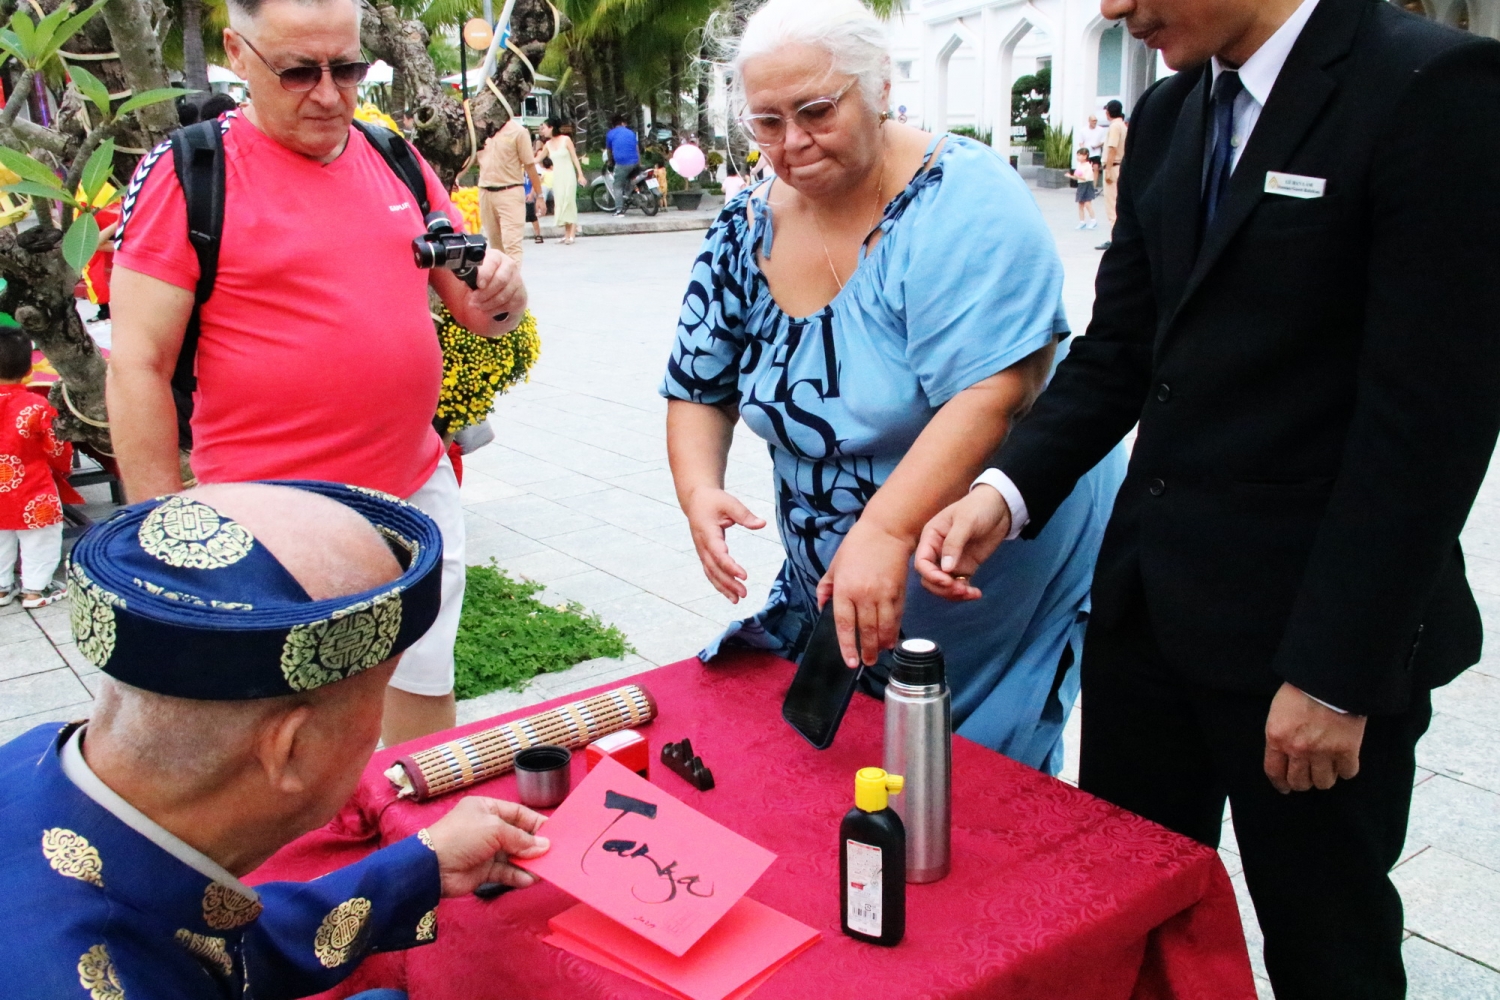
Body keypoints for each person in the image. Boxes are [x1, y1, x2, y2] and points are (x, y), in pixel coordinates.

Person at [913, 0, 1500, 995]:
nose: (1111, 10)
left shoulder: (1428, 90)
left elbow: (1426, 428)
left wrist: (1335, 675)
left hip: (1307, 645)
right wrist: (1005, 491)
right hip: (1153, 616)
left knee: (1328, 939)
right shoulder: (1178, 114)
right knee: (1129, 921)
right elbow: (1123, 349)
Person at [661, 0, 1124, 772]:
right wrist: (697, 487)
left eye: (815, 111)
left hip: (975, 565)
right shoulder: (745, 225)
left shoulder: (963, 201)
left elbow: (995, 392)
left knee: (970, 785)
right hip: (844, 568)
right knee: (844, 779)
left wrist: (885, 530)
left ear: (877, 85)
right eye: (766, 123)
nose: (792, 144)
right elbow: (697, 379)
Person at [106, 0, 529, 747]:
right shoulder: (192, 172)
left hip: (416, 491)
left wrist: (506, 295)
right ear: (238, 53)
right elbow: (139, 363)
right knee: (287, 735)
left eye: (347, 68)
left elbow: (477, 313)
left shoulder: (392, 155)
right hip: (269, 519)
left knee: (423, 691)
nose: (330, 94)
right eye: (300, 71)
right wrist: (164, 539)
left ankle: (412, 842)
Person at [0, 482, 551, 998]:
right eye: (378, 696)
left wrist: (419, 869)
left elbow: (202, 934)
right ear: (293, 745)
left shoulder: (34, 757)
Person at [0, 332, 71, 609]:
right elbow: (57, 447)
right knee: (40, 537)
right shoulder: (37, 406)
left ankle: (3, 588)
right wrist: (63, 470)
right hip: (33, 488)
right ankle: (35, 590)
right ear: (30, 369)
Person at [477, 116, 544, 262]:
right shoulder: (480, 131)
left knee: (512, 245)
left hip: (510, 192)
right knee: (495, 248)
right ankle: (501, 284)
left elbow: (530, 165)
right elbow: (469, 159)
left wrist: (539, 195)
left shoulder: (518, 132)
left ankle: (512, 284)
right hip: (486, 192)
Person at [541, 117, 586, 244]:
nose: (542, 130)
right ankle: (566, 234)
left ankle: (572, 234)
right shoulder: (548, 145)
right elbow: (537, 158)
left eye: (544, 127)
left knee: (569, 201)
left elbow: (574, 158)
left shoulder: (566, 140)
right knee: (561, 203)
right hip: (558, 177)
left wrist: (580, 174)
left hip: (569, 175)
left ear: (551, 127)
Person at [1097, 99, 1126, 249]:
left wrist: (1107, 170)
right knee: (1118, 203)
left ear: (1108, 112)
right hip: (1121, 166)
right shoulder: (1123, 125)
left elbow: (1112, 148)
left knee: (1112, 204)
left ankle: (1115, 239)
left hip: (1113, 166)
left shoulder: (1114, 126)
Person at [604, 113, 640, 216]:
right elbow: (637, 148)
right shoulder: (631, 132)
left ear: (613, 124)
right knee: (628, 178)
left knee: (617, 185)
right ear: (622, 123)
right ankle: (628, 195)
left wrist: (610, 161)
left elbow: (609, 151)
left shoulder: (611, 134)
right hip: (635, 162)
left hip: (622, 163)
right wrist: (639, 162)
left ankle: (619, 210)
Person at [1069, 147, 1097, 229]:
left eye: (1080, 155)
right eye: (1077, 155)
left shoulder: (1088, 166)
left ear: (1085, 156)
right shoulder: (1079, 165)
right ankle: (1082, 222)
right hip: (1081, 185)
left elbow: (1086, 178)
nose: (1078, 157)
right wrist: (1071, 176)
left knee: (1087, 204)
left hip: (1087, 185)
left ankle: (1093, 220)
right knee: (1080, 204)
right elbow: (1076, 177)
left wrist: (1077, 176)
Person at [1081, 113, 1107, 183]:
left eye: (1095, 120)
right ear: (1089, 121)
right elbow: (1081, 142)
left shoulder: (1101, 130)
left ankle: (1094, 186)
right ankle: (1086, 184)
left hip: (1096, 152)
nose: (1094, 122)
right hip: (1087, 153)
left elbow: (1103, 141)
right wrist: (1083, 151)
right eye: (1093, 120)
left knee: (1096, 168)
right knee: (1087, 169)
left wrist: (1096, 146)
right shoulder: (1083, 130)